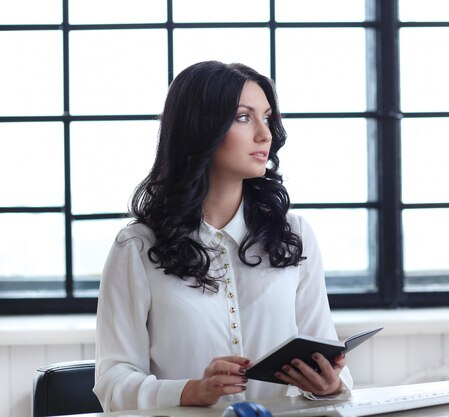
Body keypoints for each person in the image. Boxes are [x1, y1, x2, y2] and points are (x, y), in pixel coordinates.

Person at [93, 61, 353, 412]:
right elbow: (113, 384)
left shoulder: (294, 235)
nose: (266, 134)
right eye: (244, 118)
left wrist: (329, 385)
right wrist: (193, 391)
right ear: (200, 128)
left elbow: (332, 363)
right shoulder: (137, 247)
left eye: (267, 117)